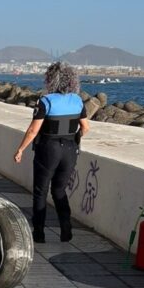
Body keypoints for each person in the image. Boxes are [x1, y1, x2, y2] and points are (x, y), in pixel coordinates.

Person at [14, 60, 89, 243]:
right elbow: (85, 128)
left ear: (51, 80)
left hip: (48, 149)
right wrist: (74, 138)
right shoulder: (77, 100)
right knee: (59, 190)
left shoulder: (45, 101)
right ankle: (66, 229)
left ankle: (39, 232)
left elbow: (33, 130)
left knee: (41, 191)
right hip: (70, 149)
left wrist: (20, 149)